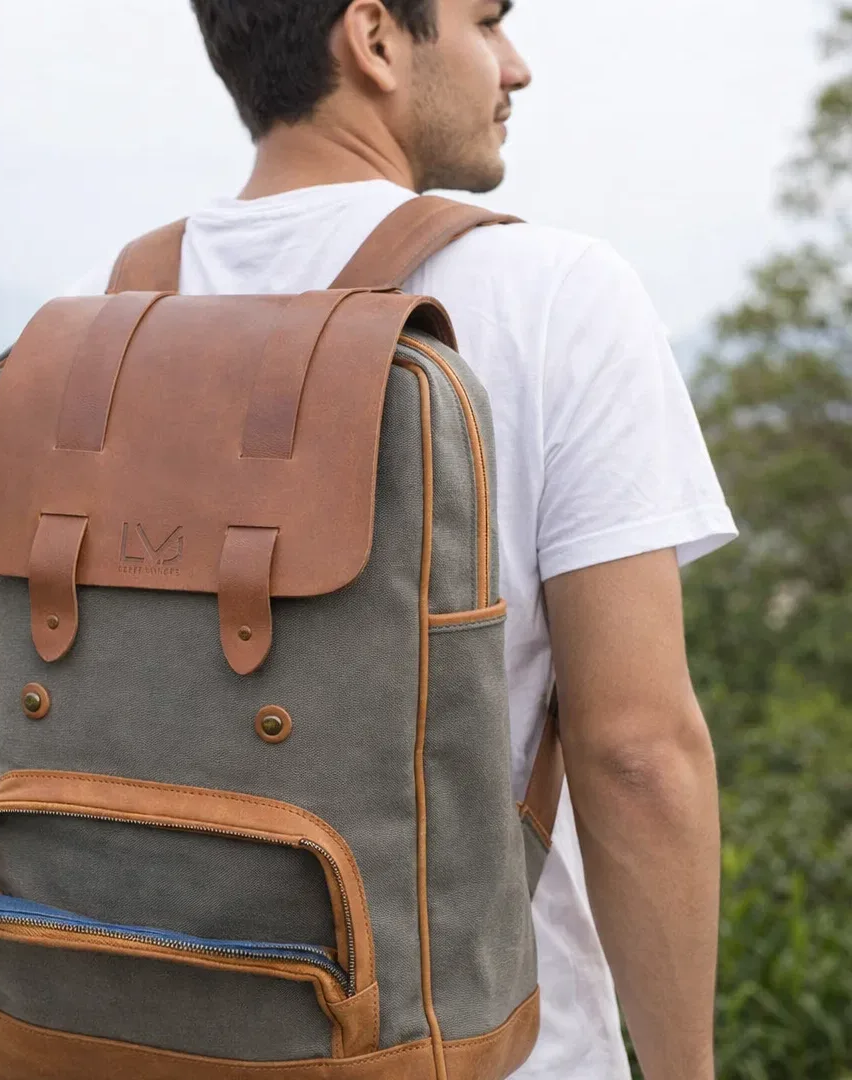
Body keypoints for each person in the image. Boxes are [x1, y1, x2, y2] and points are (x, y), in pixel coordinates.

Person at [73, 2, 737, 1077]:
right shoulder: (558, 295)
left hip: (153, 1034)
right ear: (375, 38)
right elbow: (636, 754)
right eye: (486, 21)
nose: (515, 67)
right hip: (476, 1046)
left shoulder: (132, 305)